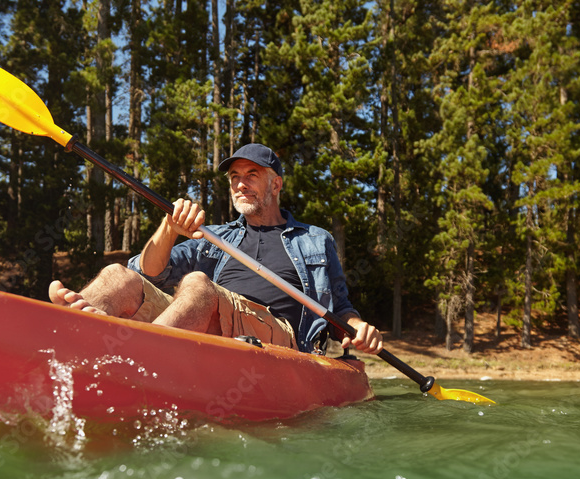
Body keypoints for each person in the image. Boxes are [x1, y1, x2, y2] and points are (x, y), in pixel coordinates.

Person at [48, 143, 383, 355]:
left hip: (280, 336)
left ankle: (134, 357)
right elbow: (149, 273)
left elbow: (339, 307)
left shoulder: (314, 238)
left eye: (252, 174)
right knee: (116, 275)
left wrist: (359, 327)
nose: (240, 183)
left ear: (276, 184)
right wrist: (169, 228)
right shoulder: (216, 237)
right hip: (209, 323)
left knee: (197, 285)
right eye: (234, 177)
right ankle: (63, 346)